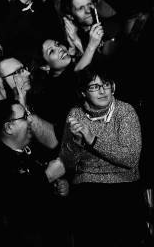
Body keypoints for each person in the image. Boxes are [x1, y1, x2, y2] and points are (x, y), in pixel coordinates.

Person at [60, 66, 144, 247]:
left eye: (106, 84)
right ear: (83, 92)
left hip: (124, 184)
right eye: (94, 86)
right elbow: (67, 162)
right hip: (88, 186)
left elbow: (130, 158)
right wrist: (75, 141)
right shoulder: (75, 114)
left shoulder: (124, 111)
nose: (102, 90)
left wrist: (92, 139)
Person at [0, 99, 68, 246]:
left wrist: (59, 186)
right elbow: (14, 202)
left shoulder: (34, 149)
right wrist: (47, 177)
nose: (30, 120)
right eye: (24, 117)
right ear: (9, 127)